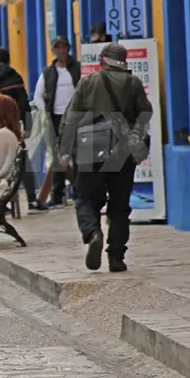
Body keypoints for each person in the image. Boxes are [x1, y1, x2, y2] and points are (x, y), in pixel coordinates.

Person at [58, 42, 152, 273]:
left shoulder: (88, 82)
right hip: (123, 148)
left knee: (86, 199)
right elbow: (145, 113)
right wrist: (137, 141)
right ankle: (116, 257)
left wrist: (65, 148)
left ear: (101, 61)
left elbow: (71, 117)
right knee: (120, 205)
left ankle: (93, 233)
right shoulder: (133, 83)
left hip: (91, 147)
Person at [0, 48, 42, 211]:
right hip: (11, 125)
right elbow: (24, 104)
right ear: (8, 60)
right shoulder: (13, 76)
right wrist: (28, 127)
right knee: (21, 160)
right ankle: (32, 199)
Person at [33, 37, 81, 206]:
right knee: (58, 156)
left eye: (64, 47)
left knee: (78, 154)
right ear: (53, 51)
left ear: (68, 48)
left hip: (75, 117)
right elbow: (38, 95)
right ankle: (57, 194)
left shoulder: (77, 69)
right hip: (55, 118)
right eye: (57, 48)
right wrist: (45, 112)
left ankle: (79, 191)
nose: (61, 51)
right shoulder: (48, 72)